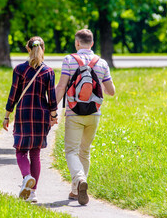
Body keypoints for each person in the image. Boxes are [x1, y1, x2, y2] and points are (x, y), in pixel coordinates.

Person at [55, 29, 115, 205]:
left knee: (71, 151)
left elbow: (61, 87)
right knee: (85, 150)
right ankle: (75, 191)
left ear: (77, 43)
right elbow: (111, 91)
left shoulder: (69, 60)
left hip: (74, 113)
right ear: (92, 44)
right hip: (94, 114)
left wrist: (51, 109)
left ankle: (80, 179)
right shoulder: (102, 63)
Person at [3, 36, 58, 203]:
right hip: (41, 115)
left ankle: (26, 177)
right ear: (43, 49)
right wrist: (53, 116)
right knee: (35, 153)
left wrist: (7, 115)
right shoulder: (48, 71)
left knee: (20, 150)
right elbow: (52, 98)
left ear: (28, 48)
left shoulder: (20, 69)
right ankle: (33, 193)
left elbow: (13, 94)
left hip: (24, 114)